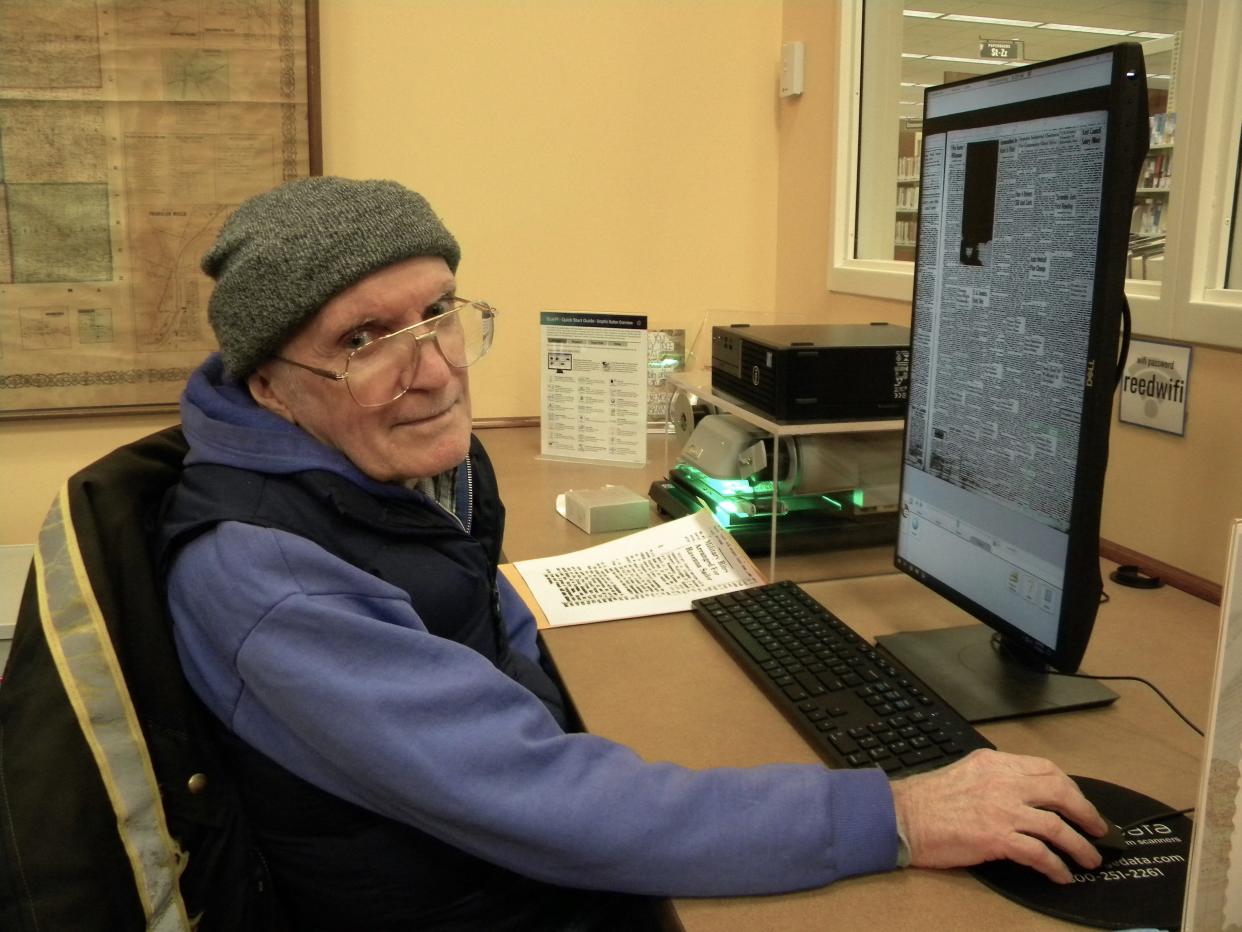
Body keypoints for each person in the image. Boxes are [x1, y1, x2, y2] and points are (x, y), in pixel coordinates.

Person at [157, 176, 1110, 930]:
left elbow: (461, 603)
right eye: (365, 339)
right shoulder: (266, 574)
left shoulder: (372, 467)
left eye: (439, 312)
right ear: (272, 386)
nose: (439, 370)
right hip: (471, 902)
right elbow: (538, 803)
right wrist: (894, 816)